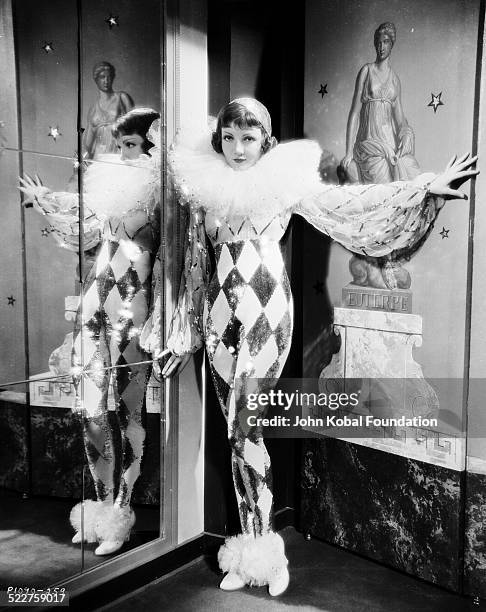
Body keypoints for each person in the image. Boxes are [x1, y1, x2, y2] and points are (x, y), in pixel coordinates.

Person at [140, 97, 477, 597]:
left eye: (249, 138)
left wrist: (420, 186)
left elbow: (349, 204)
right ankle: (252, 544)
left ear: (265, 142)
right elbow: (190, 268)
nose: (237, 148)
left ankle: (269, 557)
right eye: (229, 137)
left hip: (267, 310)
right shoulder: (203, 194)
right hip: (218, 315)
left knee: (245, 422)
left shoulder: (283, 183)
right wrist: (177, 334)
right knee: (235, 433)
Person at [19, 108, 161, 556]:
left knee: (129, 417)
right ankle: (101, 508)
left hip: (134, 318)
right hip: (94, 310)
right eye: (119, 146)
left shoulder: (164, 201)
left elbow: (177, 264)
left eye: (132, 146)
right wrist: (45, 196)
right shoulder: (112, 192)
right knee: (90, 413)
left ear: (151, 148)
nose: (123, 155)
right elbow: (81, 214)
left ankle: (121, 513)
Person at [341, 22, 420, 184]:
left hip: (389, 144)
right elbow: (354, 113)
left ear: (392, 44)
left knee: (412, 170)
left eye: (385, 42)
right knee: (381, 191)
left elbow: (400, 120)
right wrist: (349, 152)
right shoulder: (367, 71)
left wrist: (406, 133)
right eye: (378, 42)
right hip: (369, 144)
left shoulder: (395, 80)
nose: (381, 46)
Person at [83, 61, 134, 160]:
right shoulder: (93, 109)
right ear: (96, 79)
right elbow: (88, 143)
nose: (106, 80)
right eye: (102, 77)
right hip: (100, 156)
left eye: (109, 77)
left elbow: (136, 127)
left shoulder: (122, 98)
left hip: (118, 153)